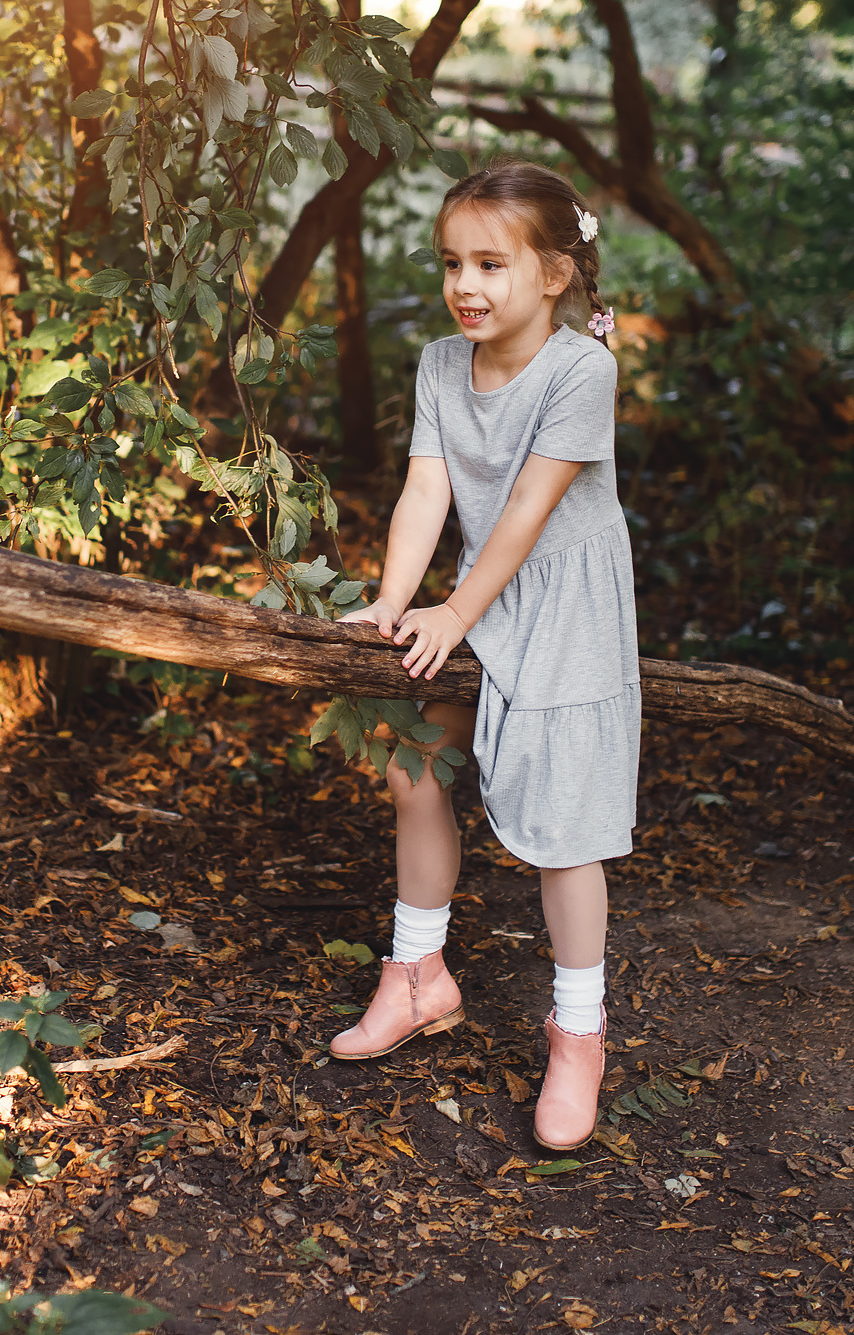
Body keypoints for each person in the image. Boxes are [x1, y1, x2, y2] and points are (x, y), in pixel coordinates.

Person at [331, 160, 639, 1151]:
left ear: (553, 274)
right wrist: (391, 603)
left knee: (564, 834)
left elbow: (524, 513)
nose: (466, 285)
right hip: (474, 597)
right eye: (453, 263)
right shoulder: (436, 363)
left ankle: (578, 1035)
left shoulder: (579, 370)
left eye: (491, 264)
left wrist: (454, 613)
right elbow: (428, 492)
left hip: (560, 609)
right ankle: (418, 976)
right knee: (412, 764)